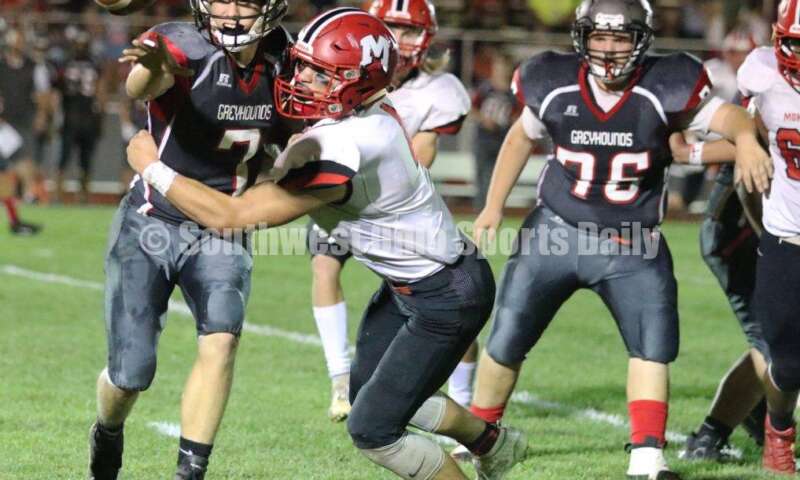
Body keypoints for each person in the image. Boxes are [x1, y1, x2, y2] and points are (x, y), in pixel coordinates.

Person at [126, 9, 527, 479]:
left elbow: (232, 217)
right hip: (413, 284)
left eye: (323, 73)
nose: (303, 78)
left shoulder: (350, 144)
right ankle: (492, 443)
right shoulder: (360, 114)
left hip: (447, 295)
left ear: (358, 83)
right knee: (372, 394)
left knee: (373, 429)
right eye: (305, 65)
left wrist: (154, 168)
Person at [468, 0, 770, 478]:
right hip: (556, 231)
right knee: (508, 336)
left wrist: (748, 141)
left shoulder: (664, 84)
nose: (609, 49)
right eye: (599, 37)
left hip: (632, 240)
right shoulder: (552, 80)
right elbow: (519, 139)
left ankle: (648, 456)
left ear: (641, 39)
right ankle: (480, 438)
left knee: (653, 343)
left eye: (620, 37)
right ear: (582, 37)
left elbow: (732, 118)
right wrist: (492, 205)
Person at [88, 0, 291, 478]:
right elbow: (145, 82)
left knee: (221, 338)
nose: (229, 11)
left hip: (222, 227)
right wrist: (149, 67)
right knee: (129, 376)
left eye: (244, 1)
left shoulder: (288, 61)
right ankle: (107, 430)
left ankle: (190, 472)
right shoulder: (181, 43)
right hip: (152, 221)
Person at [303, 0, 473, 422]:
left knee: (445, 289)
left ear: (429, 39)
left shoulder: (439, 89)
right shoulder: (332, 72)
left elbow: (421, 158)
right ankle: (340, 380)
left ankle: (463, 394)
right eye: (392, 28)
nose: (400, 40)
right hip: (339, 190)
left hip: (397, 204)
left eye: (411, 31)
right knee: (324, 267)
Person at [725, 0, 800, 473]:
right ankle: (778, 430)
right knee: (789, 360)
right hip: (787, 234)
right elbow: (736, 129)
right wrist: (747, 143)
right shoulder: (763, 73)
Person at [0, 27, 47, 234]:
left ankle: (15, 220)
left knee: (7, 171)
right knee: (14, 165)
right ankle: (17, 217)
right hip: (4, 124)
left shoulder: (31, 66)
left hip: (11, 124)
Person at [54, 31, 106, 204]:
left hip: (74, 114)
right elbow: (100, 91)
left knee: (73, 158)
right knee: (79, 158)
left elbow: (58, 89)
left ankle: (65, 194)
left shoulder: (67, 63)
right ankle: (77, 194)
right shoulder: (92, 64)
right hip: (83, 114)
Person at [471, 52, 519, 211]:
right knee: (482, 176)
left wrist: (510, 121)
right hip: (484, 139)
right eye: (497, 67)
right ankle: (480, 210)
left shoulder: (514, 91)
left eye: (502, 67)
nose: (499, 70)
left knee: (497, 178)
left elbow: (518, 115)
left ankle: (494, 209)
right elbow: (472, 108)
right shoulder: (485, 87)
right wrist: (484, 119)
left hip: (502, 140)